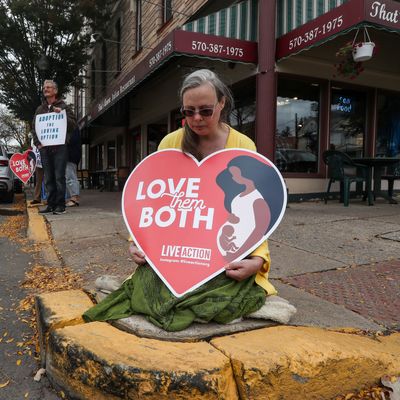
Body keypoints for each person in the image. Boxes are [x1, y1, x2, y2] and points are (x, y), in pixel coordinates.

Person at [83, 69, 278, 331]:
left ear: (222, 103)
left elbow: (255, 208)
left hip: (221, 247)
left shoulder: (243, 145)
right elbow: (152, 201)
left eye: (206, 110)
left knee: (221, 296)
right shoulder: (170, 143)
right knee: (152, 289)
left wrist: (257, 260)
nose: (196, 118)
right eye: (189, 111)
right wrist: (138, 242)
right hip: (176, 246)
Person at [216, 155, 285, 261]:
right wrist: (231, 218)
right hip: (228, 244)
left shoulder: (258, 201)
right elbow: (241, 215)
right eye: (232, 174)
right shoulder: (239, 195)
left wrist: (238, 253)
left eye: (235, 173)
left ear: (246, 172)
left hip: (239, 250)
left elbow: (259, 230)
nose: (233, 177)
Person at [31, 80, 76, 215]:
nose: (46, 89)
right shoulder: (40, 109)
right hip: (45, 149)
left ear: (55, 91)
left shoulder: (63, 106)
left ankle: (60, 205)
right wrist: (38, 143)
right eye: (44, 87)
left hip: (60, 148)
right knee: (49, 177)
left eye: (49, 87)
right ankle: (51, 204)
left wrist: (61, 115)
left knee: (59, 176)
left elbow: (73, 125)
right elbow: (34, 127)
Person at [65, 127, 81, 207]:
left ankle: (74, 198)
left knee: (70, 176)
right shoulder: (73, 127)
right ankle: (73, 197)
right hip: (70, 155)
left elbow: (71, 140)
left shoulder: (72, 128)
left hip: (70, 155)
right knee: (69, 176)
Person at [30, 137, 44, 205]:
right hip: (38, 162)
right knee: (38, 180)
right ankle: (37, 198)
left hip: (47, 159)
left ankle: (48, 198)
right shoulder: (33, 138)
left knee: (48, 180)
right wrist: (33, 160)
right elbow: (33, 150)